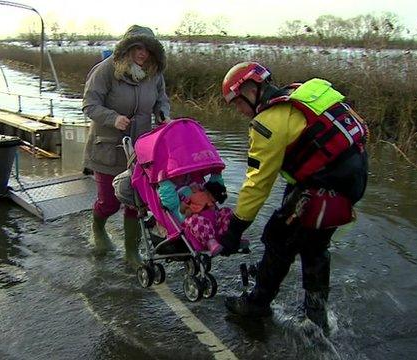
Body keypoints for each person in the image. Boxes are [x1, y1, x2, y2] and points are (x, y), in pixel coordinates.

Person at [219, 62, 368, 334]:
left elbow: (258, 183)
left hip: (322, 186)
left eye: (237, 103)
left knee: (277, 236)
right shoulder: (301, 92)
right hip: (352, 179)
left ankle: (257, 304)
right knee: (314, 243)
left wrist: (235, 228)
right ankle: (316, 314)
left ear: (252, 91)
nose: (239, 111)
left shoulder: (267, 123)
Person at [82, 25, 170, 268]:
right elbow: (89, 104)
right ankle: (98, 228)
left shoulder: (154, 73)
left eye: (148, 49)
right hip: (108, 147)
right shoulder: (106, 70)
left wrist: (162, 114)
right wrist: (113, 118)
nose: (143, 53)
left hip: (141, 150)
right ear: (128, 47)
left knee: (136, 203)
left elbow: (161, 100)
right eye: (137, 47)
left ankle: (132, 252)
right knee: (110, 202)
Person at [158, 173, 229, 255]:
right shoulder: (175, 197)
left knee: (226, 211)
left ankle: (231, 236)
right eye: (177, 176)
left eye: (183, 176)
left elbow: (215, 189)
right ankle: (211, 242)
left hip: (214, 223)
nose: (181, 178)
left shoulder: (199, 187)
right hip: (196, 230)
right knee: (196, 219)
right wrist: (164, 182)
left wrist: (216, 173)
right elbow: (170, 200)